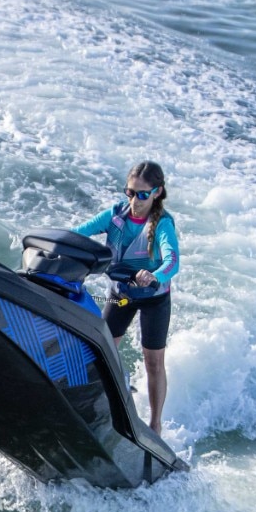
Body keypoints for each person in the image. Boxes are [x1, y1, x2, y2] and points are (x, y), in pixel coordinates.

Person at [73, 161, 179, 434]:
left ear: (157, 192)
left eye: (142, 194)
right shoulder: (114, 215)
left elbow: (173, 261)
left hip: (154, 299)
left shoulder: (163, 224)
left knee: (153, 361)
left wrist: (155, 275)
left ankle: (155, 427)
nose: (135, 200)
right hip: (120, 298)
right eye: (130, 192)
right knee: (100, 350)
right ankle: (97, 404)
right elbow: (77, 234)